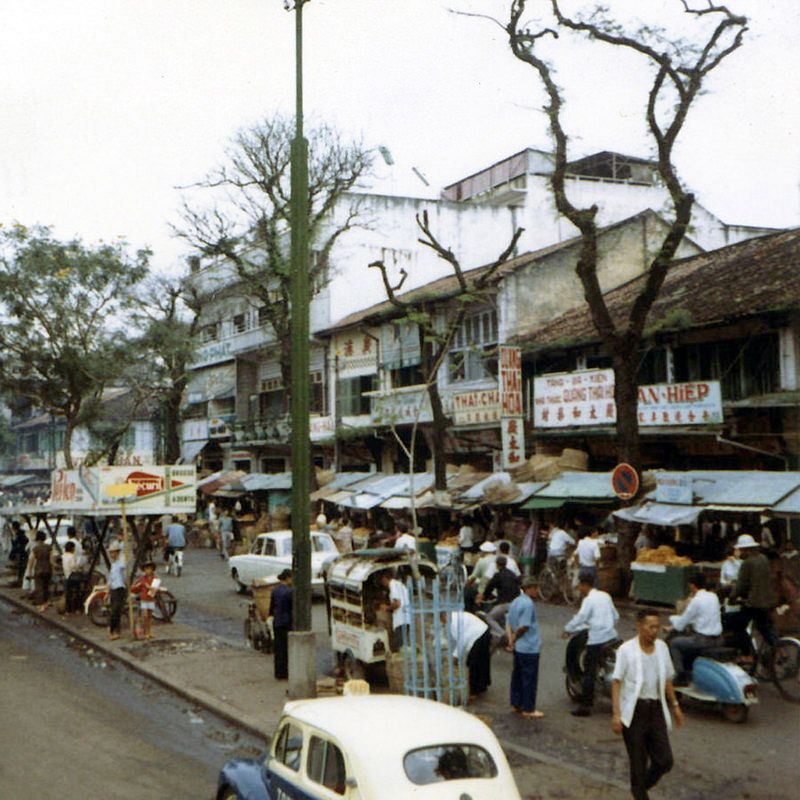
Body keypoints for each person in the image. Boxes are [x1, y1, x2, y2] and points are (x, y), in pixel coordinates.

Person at [612, 609, 683, 800]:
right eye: (650, 627)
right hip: (634, 712)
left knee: (664, 761)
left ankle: (639, 789)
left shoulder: (662, 648)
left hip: (656, 709)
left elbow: (667, 678)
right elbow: (617, 682)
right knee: (638, 763)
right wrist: (616, 715)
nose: (655, 631)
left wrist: (675, 705)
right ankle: (639, 792)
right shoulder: (626, 650)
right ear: (639, 626)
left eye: (657, 627)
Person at [563, 570, 620, 716]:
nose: (579, 589)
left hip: (597, 639)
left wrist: (567, 629)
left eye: (579, 586)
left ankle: (586, 705)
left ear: (584, 585)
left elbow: (581, 617)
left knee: (589, 669)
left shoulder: (589, 600)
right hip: (612, 636)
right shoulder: (605, 596)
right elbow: (616, 616)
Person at [665, 572, 722, 685]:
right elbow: (702, 616)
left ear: (692, 585)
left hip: (702, 640)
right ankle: (689, 670)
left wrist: (670, 628)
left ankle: (680, 675)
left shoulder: (696, 601)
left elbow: (682, 623)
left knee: (674, 643)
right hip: (718, 639)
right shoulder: (713, 596)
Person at [730, 533, 778, 656]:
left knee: (738, 626)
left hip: (755, 603)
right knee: (765, 628)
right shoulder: (763, 559)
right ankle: (778, 648)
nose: (740, 552)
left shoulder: (747, 563)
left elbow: (741, 585)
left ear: (746, 550)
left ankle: (748, 654)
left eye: (741, 550)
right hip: (768, 601)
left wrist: (732, 597)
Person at [506, 576, 544, 719]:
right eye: (535, 588)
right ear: (528, 589)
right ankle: (528, 708)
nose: (537, 591)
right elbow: (524, 626)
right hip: (529, 646)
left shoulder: (516, 601)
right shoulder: (528, 604)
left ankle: (516, 703)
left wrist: (511, 639)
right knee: (529, 678)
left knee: (517, 676)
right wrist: (515, 637)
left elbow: (509, 621)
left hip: (519, 648)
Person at [477, 555, 521, 652]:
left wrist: (483, 597)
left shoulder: (498, 576)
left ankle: (502, 633)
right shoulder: (512, 574)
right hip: (516, 602)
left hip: (505, 603)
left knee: (489, 617)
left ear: (497, 565)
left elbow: (489, 588)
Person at [448, 610, 492, 698]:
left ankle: (474, 690)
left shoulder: (454, 621)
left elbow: (462, 639)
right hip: (481, 632)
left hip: (479, 634)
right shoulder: (452, 619)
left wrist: (455, 656)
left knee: (473, 663)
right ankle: (482, 685)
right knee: (481, 660)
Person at [269, 569, 293, 680]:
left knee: (278, 648)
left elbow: (272, 607)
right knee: (286, 649)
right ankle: (286, 672)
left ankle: (278, 673)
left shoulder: (275, 591)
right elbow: (291, 608)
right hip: (287, 622)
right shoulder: (289, 592)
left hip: (277, 621)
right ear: (288, 578)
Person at [381, 570, 410, 651]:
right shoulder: (401, 585)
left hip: (400, 620)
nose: (383, 584)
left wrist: (386, 608)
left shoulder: (393, 585)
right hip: (406, 618)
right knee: (402, 645)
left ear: (385, 579)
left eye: (382, 581)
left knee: (399, 647)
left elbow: (397, 603)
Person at [131, 561, 159, 640]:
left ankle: (149, 632)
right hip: (144, 599)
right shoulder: (142, 579)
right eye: (146, 569)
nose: (148, 571)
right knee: (145, 616)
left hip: (151, 599)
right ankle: (145, 631)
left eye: (149, 569)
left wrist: (151, 588)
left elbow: (156, 589)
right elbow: (134, 588)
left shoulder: (155, 579)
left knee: (150, 617)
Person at [107, 541, 127, 641]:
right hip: (114, 590)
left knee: (116, 611)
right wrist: (107, 591)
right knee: (113, 611)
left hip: (120, 589)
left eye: (114, 552)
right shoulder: (113, 565)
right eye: (111, 553)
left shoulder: (120, 564)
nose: (112, 555)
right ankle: (113, 630)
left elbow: (125, 572)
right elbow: (110, 579)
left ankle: (115, 630)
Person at [30, 531, 53, 611]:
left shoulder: (35, 548)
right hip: (48, 569)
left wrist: (29, 571)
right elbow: (51, 560)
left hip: (38, 569)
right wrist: (52, 569)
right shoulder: (49, 547)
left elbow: (31, 560)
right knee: (46, 586)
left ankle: (40, 605)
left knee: (39, 587)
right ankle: (46, 603)